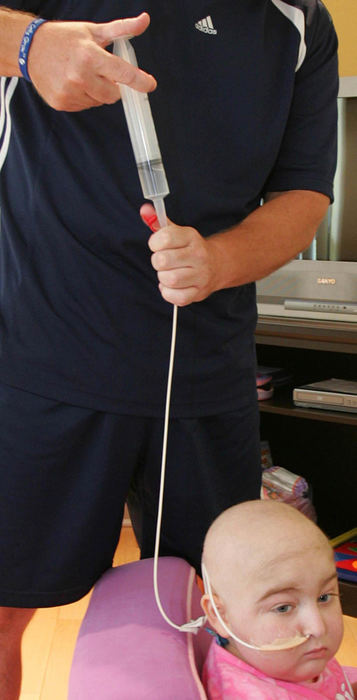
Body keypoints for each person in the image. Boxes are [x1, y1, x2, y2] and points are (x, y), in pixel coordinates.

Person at [0, 1, 338, 697]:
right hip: (42, 362)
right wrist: (27, 42)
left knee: (219, 616)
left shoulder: (300, 22)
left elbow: (303, 191)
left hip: (206, 377)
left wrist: (214, 262)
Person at [201, 500, 357, 699]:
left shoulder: (284, 660)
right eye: (283, 608)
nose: (318, 628)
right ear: (220, 616)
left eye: (324, 597)